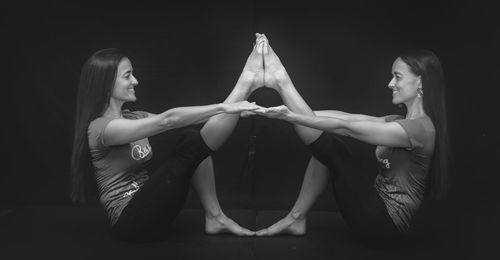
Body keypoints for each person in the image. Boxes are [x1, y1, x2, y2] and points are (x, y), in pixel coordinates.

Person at [70, 34, 268, 242]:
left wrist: (233, 111)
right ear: (106, 83)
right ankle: (245, 82)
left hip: (153, 208)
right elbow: (168, 120)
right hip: (130, 222)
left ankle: (215, 216)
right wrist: (225, 107)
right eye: (128, 76)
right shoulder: (101, 129)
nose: (135, 81)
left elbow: (188, 122)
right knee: (190, 148)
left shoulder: (133, 117)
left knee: (191, 139)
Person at [252, 34, 449, 238]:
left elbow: (348, 127)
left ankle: (282, 81)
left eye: (397, 77)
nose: (390, 83)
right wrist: (273, 111)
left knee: (333, 149)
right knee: (326, 152)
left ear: (421, 83)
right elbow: (347, 116)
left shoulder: (420, 130)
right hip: (374, 208)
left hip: (385, 226)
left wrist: (289, 114)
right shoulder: (398, 121)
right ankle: (296, 219)